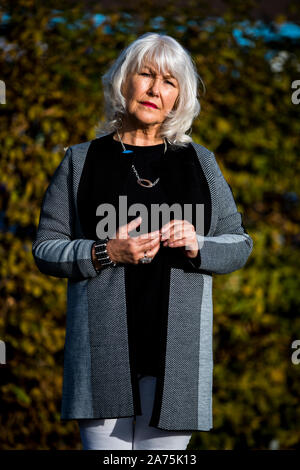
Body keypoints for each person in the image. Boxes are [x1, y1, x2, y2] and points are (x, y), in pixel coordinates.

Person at [32, 32, 253, 450]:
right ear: (123, 80)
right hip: (102, 361)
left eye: (169, 81)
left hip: (177, 366)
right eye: (146, 75)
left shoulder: (200, 162)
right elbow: (46, 248)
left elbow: (239, 244)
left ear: (179, 97)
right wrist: (105, 251)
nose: (155, 89)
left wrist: (198, 244)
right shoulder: (81, 161)